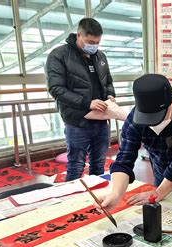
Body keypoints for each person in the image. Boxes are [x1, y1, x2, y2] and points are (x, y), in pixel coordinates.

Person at [96, 74, 172, 211]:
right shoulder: (134, 120)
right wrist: (116, 194)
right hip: (162, 176)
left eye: (157, 117)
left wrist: (159, 193)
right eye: (147, 119)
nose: (153, 124)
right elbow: (124, 160)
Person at [46, 18, 115, 181]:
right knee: (76, 166)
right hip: (77, 121)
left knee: (99, 165)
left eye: (97, 42)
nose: (94, 46)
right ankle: (73, 201)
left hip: (101, 120)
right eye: (91, 41)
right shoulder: (59, 55)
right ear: (79, 35)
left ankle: (97, 202)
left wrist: (110, 95)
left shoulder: (100, 56)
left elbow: (108, 81)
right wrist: (87, 103)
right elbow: (56, 89)